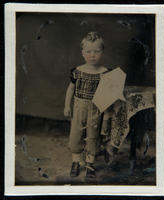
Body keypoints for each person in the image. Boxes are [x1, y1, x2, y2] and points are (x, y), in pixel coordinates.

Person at [64, 32, 110, 178]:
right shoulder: (77, 71)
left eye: (96, 52)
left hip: (96, 110)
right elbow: (70, 89)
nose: (92, 55)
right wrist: (67, 106)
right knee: (76, 134)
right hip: (79, 108)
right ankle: (76, 162)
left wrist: (107, 114)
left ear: (102, 52)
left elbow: (107, 96)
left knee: (93, 136)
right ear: (82, 53)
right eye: (88, 52)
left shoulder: (105, 73)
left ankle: (90, 165)